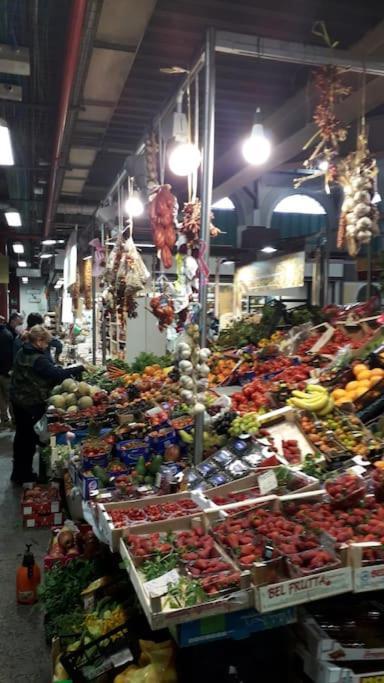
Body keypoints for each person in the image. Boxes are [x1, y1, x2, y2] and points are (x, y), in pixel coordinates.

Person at [10, 325, 84, 484]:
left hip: (18, 400)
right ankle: (26, 475)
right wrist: (79, 368)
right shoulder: (38, 358)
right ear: (39, 341)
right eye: (46, 343)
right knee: (31, 439)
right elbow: (57, 375)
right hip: (30, 403)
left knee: (22, 437)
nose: (47, 346)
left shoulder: (23, 351)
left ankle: (19, 472)